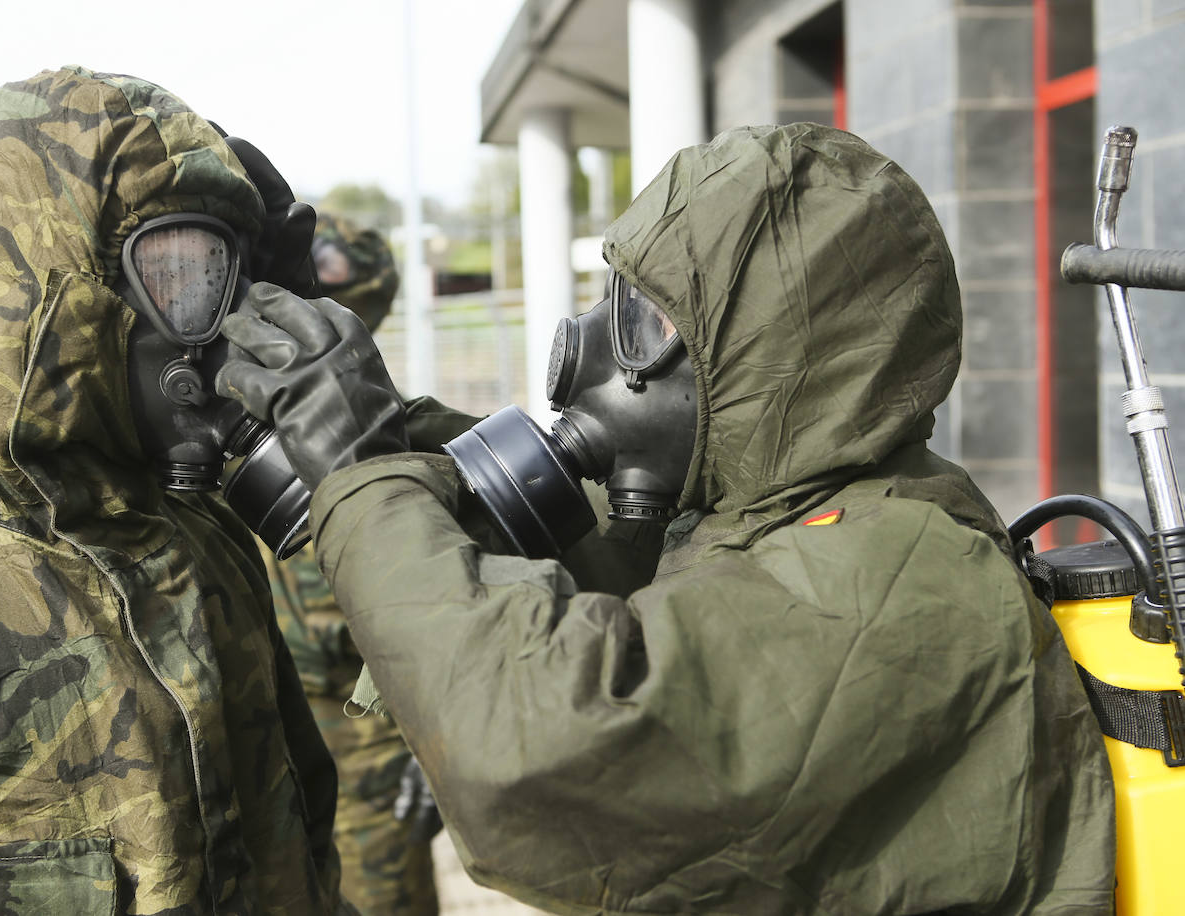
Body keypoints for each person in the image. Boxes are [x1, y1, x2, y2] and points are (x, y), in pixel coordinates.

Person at [214, 123, 1117, 913]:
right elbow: (538, 540)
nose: (596, 347)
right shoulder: (746, 508)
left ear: (778, 353)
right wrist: (342, 386)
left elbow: (530, 751)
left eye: (645, 319)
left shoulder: (895, 578)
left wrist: (361, 476)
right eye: (615, 298)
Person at [0, 66, 351, 915]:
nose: (217, 322)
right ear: (49, 295)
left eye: (224, 274)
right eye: (177, 275)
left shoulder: (202, 540)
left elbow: (307, 844)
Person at [261, 212, 441, 916]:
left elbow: (433, 605)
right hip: (267, 726)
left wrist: (436, 748)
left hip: (366, 744)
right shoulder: (229, 420)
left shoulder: (383, 436)